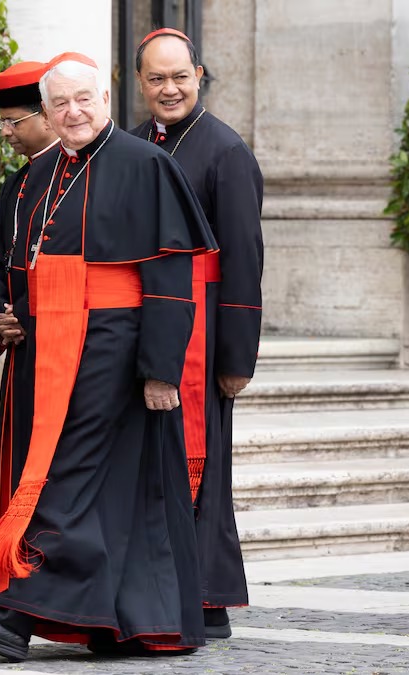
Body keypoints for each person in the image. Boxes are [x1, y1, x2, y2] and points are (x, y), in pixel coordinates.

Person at [0, 52, 217, 661]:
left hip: (114, 347)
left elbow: (169, 279)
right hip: (49, 349)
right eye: (60, 104)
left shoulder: (146, 165)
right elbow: (17, 261)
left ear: (106, 100)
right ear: (48, 113)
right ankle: (116, 622)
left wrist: (162, 370)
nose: (73, 112)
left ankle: (14, 616)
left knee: (68, 481)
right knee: (97, 488)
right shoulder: (39, 173)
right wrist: (11, 314)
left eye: (83, 99)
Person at [129, 27, 265, 639]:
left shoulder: (226, 150)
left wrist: (236, 357)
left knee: (202, 469)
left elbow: (244, 260)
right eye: (156, 78)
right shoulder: (130, 145)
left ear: (200, 75)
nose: (169, 88)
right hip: (144, 327)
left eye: (179, 76)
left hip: (203, 335)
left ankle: (204, 597)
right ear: (138, 84)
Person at [0, 61, 60, 613]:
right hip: (22, 348)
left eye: (14, 121)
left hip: (61, 347)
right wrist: (3, 312)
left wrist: (27, 313)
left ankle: (29, 591)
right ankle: (0, 585)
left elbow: (75, 265)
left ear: (47, 116)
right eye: (0, 122)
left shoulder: (76, 174)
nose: (6, 132)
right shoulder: (19, 180)